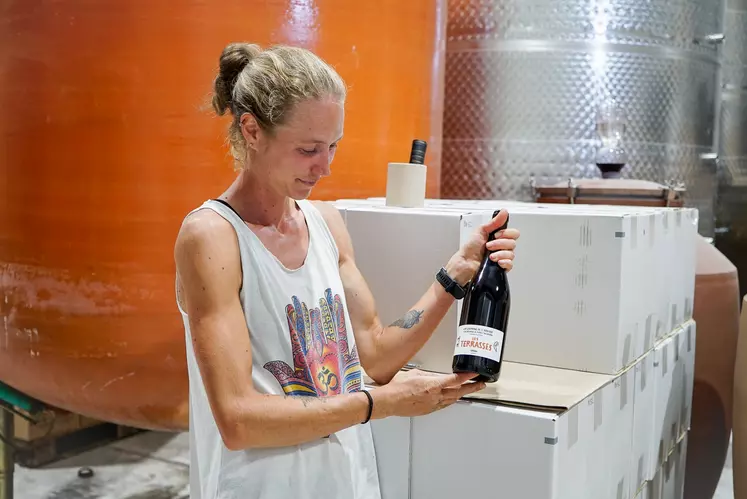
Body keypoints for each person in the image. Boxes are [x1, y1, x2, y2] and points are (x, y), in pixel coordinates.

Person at [173, 42, 520, 499]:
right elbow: (238, 420)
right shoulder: (213, 238)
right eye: (308, 149)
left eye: (333, 145)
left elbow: (374, 355)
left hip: (345, 484)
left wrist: (457, 273)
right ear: (252, 130)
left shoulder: (326, 223)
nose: (326, 166)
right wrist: (383, 404)